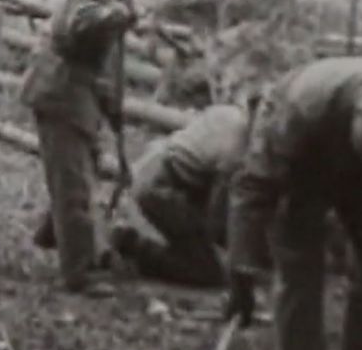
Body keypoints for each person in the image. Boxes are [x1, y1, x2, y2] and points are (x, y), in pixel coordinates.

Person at [224, 57, 362, 350]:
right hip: (307, 163)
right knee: (298, 266)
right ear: (356, 120)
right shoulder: (304, 109)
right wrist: (241, 265)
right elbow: (253, 184)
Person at [18, 0, 154, 297]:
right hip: (60, 92)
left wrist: (113, 111)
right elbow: (82, 24)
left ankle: (57, 236)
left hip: (76, 94)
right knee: (74, 182)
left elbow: (101, 62)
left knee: (80, 173)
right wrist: (123, 15)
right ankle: (79, 272)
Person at [109, 99, 258, 288]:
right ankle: (135, 247)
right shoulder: (237, 148)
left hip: (158, 167)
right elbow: (216, 219)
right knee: (209, 273)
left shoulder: (228, 113)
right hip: (163, 185)